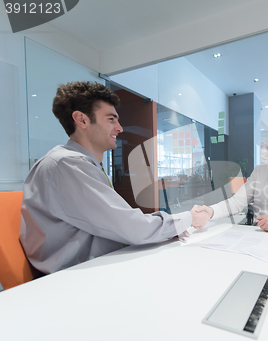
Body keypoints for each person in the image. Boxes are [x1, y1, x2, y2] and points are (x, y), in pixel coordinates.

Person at [20, 81, 210, 274]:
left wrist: (170, 228)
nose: (119, 128)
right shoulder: (67, 165)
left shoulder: (80, 164)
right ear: (82, 120)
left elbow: (122, 221)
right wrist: (188, 218)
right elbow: (133, 228)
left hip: (94, 268)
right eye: (111, 119)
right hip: (76, 278)